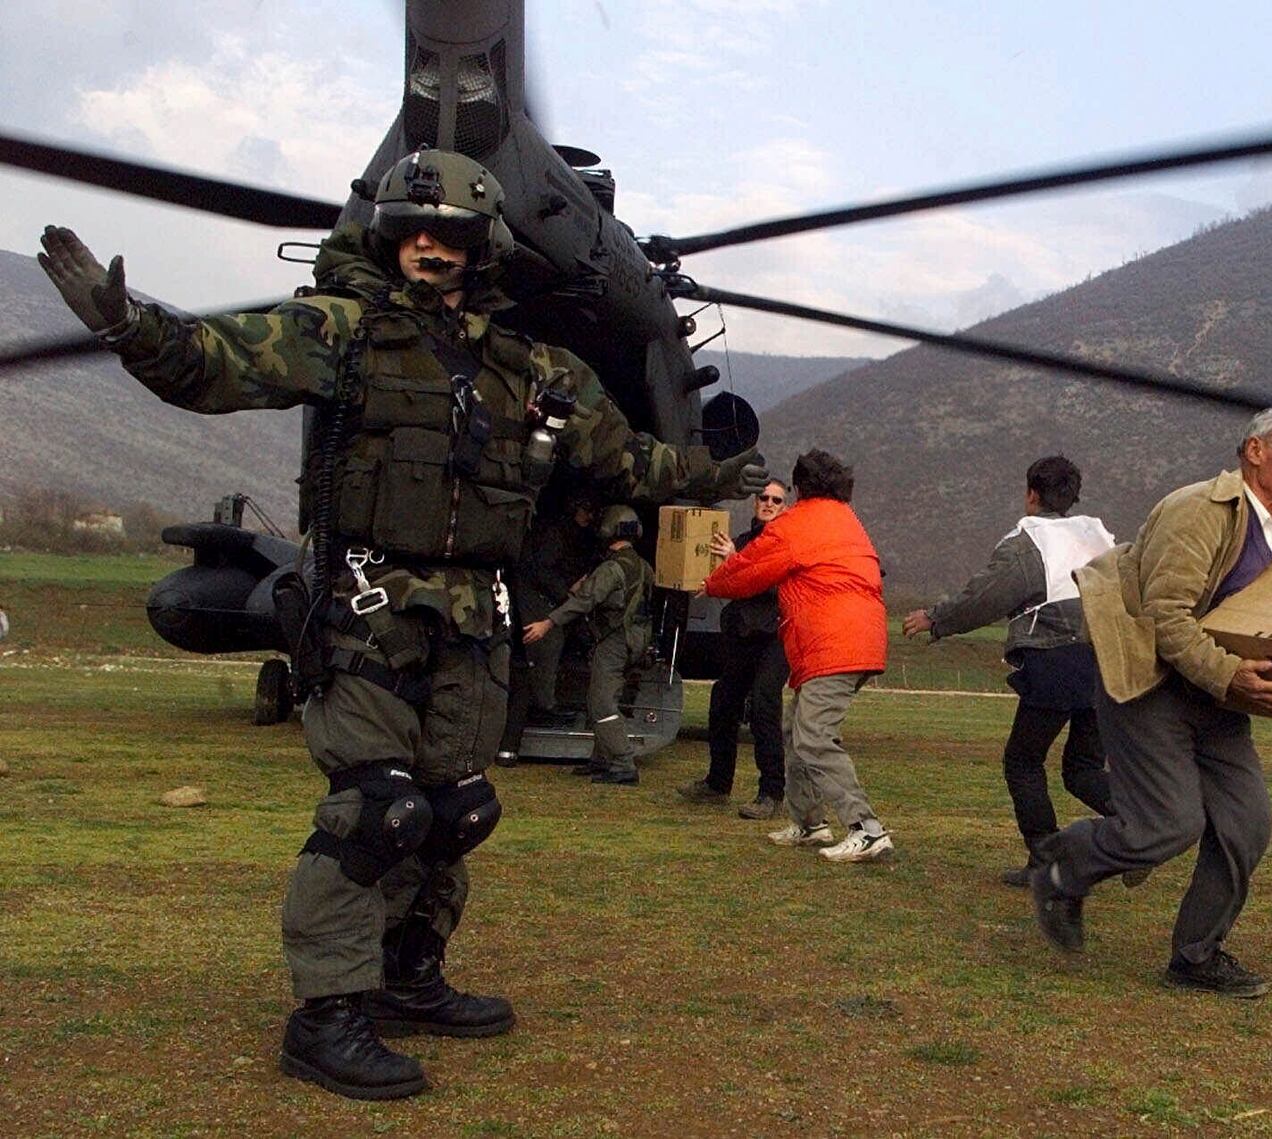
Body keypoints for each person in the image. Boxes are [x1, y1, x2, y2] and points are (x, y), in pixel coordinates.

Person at [36, 148, 766, 1101]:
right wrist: (132, 329)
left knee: (458, 809)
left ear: (482, 246)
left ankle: (405, 976)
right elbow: (217, 365)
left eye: (451, 232)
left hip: (475, 619)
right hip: (370, 611)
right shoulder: (343, 331)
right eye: (412, 229)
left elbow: (629, 460)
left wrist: (715, 474)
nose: (429, 244)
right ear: (387, 237)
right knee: (376, 811)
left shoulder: (534, 370)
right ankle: (324, 1013)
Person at [1030, 405, 1272, 999]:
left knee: (1247, 825)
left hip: (1217, 701)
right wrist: (1234, 677)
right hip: (1151, 686)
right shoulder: (1198, 510)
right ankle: (1062, 866)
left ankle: (1195, 956)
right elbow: (1166, 617)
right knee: (1166, 828)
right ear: (1256, 451)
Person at [903, 456, 1130, 887]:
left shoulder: (1029, 542)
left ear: (1031, 493)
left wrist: (936, 619)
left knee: (1023, 761)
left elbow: (984, 596)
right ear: (1073, 496)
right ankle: (1137, 824)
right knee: (1083, 768)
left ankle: (1046, 861)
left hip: (1057, 663)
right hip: (1107, 661)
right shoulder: (1100, 536)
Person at [703, 450, 893, 863]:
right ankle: (809, 822)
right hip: (855, 638)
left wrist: (714, 583)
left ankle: (866, 828)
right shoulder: (845, 519)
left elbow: (752, 568)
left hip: (834, 642)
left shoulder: (799, 523)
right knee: (796, 729)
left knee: (813, 736)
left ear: (800, 487)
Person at [678, 479, 791, 819]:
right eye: (764, 497)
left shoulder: (785, 543)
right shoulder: (741, 540)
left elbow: (767, 582)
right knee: (723, 701)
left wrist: (735, 560)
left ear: (784, 507)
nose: (768, 503)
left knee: (764, 706)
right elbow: (731, 581)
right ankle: (717, 783)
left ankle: (771, 792)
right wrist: (707, 582)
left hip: (775, 636)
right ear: (755, 502)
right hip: (743, 635)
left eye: (776, 500)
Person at [523, 505, 654, 785]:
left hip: (614, 639)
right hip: (635, 639)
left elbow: (584, 601)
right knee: (600, 697)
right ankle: (602, 759)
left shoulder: (611, 569)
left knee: (603, 702)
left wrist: (547, 623)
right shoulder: (643, 567)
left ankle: (622, 763)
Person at [495, 492, 598, 764]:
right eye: (586, 510)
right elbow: (541, 571)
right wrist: (568, 591)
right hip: (537, 601)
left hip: (545, 599)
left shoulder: (567, 534)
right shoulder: (555, 535)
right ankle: (542, 706)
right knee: (543, 652)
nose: (589, 517)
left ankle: (541, 705)